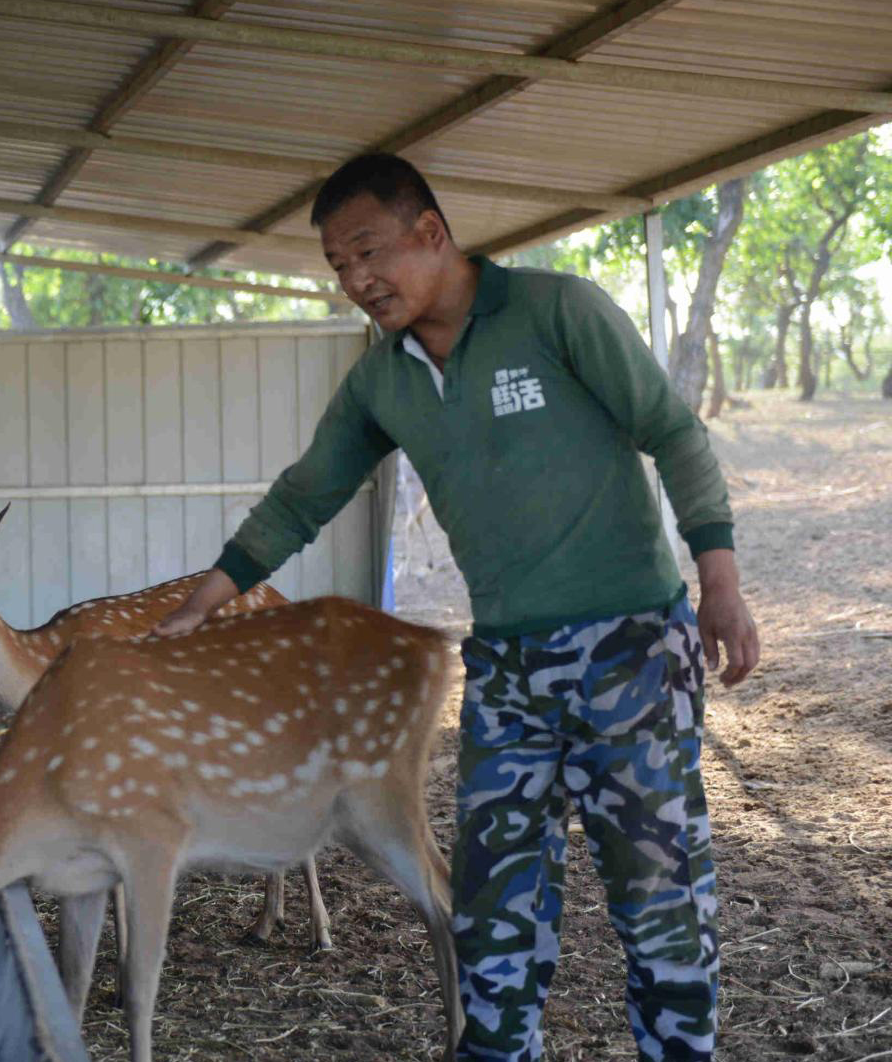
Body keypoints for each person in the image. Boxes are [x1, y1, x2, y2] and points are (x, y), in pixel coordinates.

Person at [152, 153, 758, 1062]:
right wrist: (200, 605)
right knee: (493, 914)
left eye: (369, 253)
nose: (357, 281)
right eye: (339, 268)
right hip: (508, 672)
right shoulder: (381, 380)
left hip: (631, 650)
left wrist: (720, 582)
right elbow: (301, 497)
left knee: (658, 903)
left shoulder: (557, 311)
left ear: (430, 233)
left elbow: (671, 431)